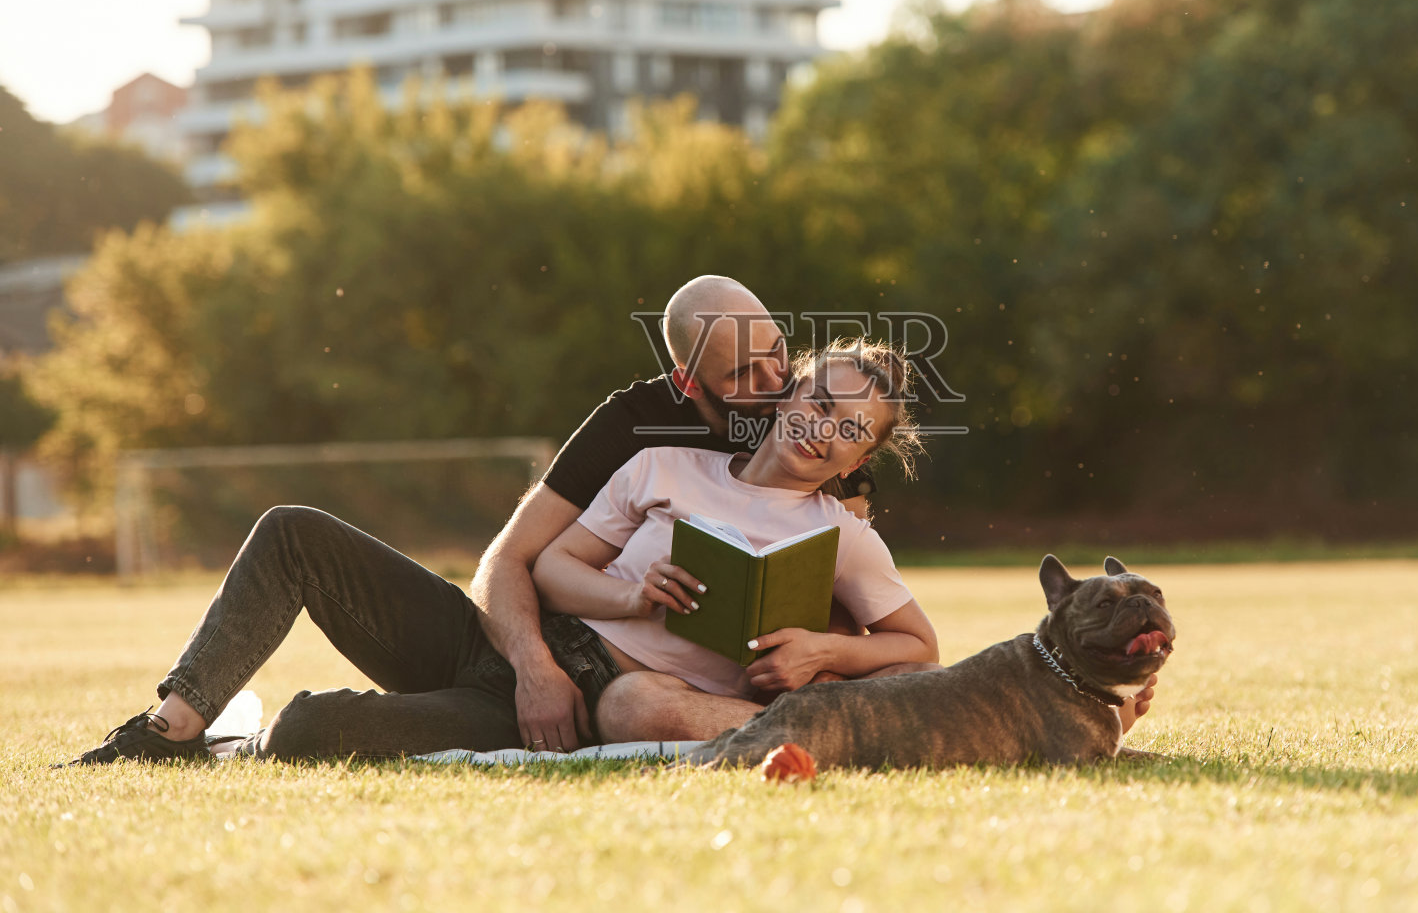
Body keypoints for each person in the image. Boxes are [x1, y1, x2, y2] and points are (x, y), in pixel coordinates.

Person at [58, 276, 879, 764]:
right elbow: (507, 559)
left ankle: (247, 741)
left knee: (309, 728)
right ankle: (169, 731)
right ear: (687, 381)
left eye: (780, 353)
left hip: (590, 694)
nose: (777, 380)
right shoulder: (636, 426)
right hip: (505, 655)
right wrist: (533, 668)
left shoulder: (817, 436)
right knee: (290, 529)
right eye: (746, 370)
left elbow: (849, 613)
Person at [530, 337, 941, 745]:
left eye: (851, 430)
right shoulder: (661, 465)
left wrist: (822, 651)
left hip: (662, 700)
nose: (822, 429)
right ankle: (820, 731)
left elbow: (920, 646)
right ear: (787, 397)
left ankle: (819, 733)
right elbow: (550, 570)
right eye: (819, 403)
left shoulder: (843, 537)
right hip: (561, 651)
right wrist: (634, 596)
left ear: (858, 462)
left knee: (631, 704)